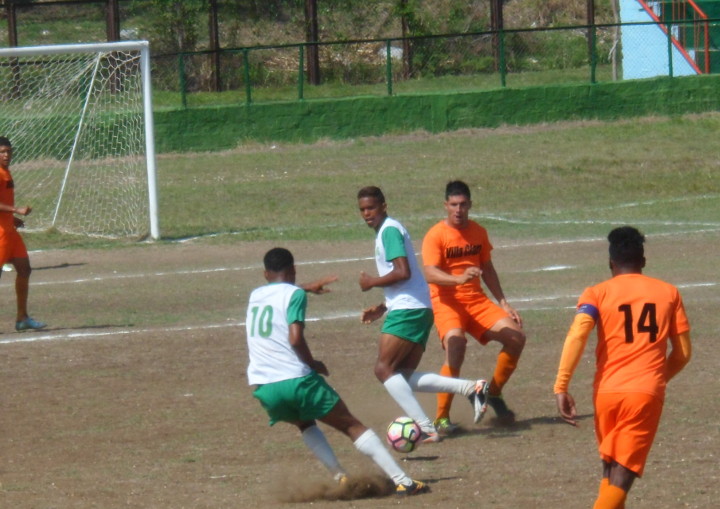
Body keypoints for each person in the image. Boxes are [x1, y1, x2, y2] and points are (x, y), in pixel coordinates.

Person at [246, 247, 428, 497]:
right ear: (294, 269)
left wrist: (306, 287)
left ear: (265, 274)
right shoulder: (295, 295)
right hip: (296, 381)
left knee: (305, 423)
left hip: (265, 388)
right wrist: (313, 364)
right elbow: (295, 338)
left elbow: (282, 290)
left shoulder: (255, 295)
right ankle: (402, 480)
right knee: (351, 425)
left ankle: (339, 476)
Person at [553, 226, 691, 508]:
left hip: (605, 393)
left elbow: (578, 334)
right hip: (643, 394)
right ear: (643, 261)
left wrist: (561, 385)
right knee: (623, 476)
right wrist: (655, 378)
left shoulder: (596, 293)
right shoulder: (669, 293)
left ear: (611, 263)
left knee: (610, 469)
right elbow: (683, 353)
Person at [357, 186, 489, 442]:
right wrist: (384, 307)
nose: (366, 214)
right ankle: (470, 388)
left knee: (383, 369)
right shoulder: (387, 231)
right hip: (412, 306)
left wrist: (371, 282)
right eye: (362, 210)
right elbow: (409, 279)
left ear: (383, 206)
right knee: (401, 375)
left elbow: (403, 271)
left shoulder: (390, 231)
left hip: (410, 309)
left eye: (371, 208)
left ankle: (426, 427)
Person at [421, 180, 525, 430]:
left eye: (463, 204)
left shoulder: (478, 232)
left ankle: (494, 393)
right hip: (447, 302)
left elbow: (487, 267)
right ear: (445, 205)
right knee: (456, 345)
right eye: (454, 205)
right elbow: (429, 273)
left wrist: (503, 302)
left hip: (477, 302)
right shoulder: (436, 235)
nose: (459, 209)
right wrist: (457, 279)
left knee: (516, 338)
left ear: (470, 205)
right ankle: (442, 417)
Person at [0, 137, 46, 332]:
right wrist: (16, 210)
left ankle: (22, 318)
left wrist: (12, 217)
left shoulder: (6, 172)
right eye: (2, 151)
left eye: (9, 151)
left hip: (9, 230)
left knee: (24, 269)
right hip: (0, 232)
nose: (6, 155)